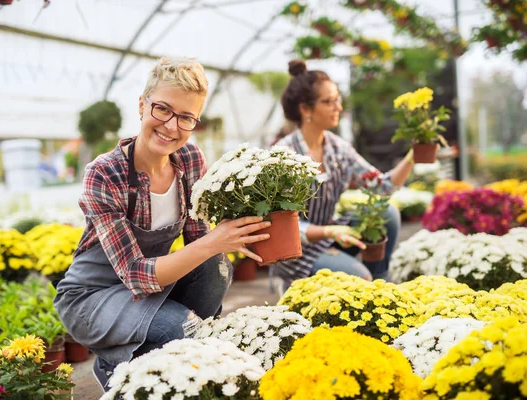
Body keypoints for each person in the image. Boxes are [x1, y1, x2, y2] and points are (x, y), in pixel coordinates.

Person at [53, 57, 271, 392]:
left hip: (149, 289)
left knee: (217, 267)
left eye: (186, 117)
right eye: (163, 109)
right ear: (142, 105)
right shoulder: (105, 172)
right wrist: (215, 241)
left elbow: (200, 243)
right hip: (93, 297)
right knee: (182, 330)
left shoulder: (190, 160)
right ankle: (124, 363)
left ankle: (141, 361)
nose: (171, 126)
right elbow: (137, 275)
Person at [273, 59, 414, 293]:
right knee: (358, 276)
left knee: (385, 213)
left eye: (337, 99)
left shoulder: (338, 148)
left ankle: (382, 287)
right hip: (295, 251)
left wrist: (413, 155)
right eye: (328, 101)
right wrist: (330, 231)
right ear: (305, 109)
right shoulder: (283, 155)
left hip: (329, 236)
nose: (338, 106)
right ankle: (296, 288)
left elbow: (381, 188)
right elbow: (281, 225)